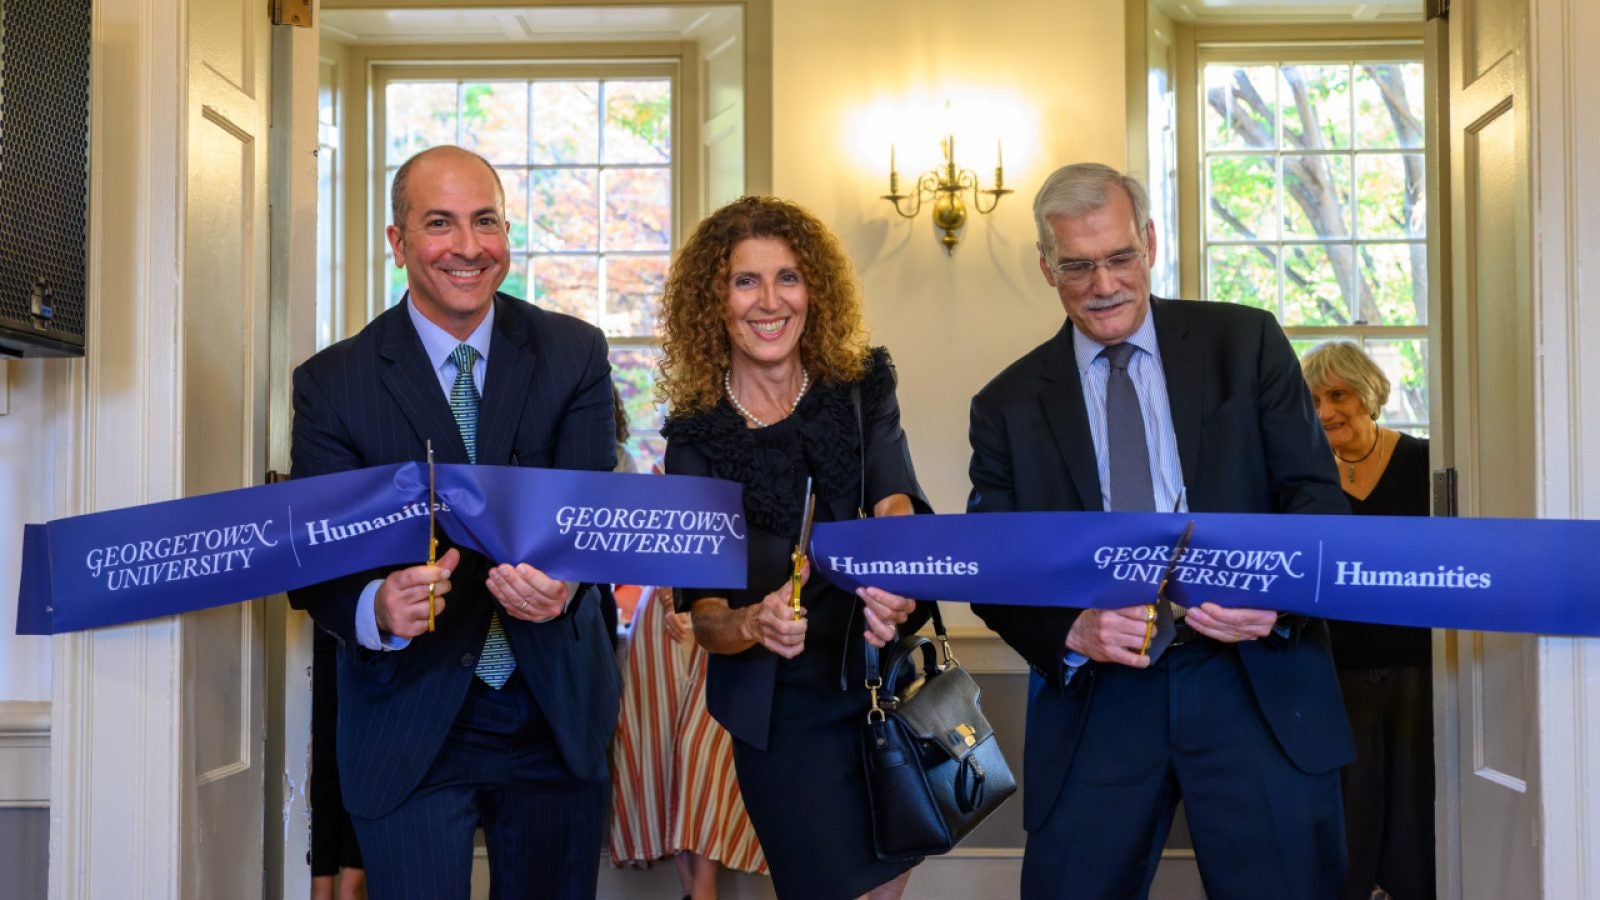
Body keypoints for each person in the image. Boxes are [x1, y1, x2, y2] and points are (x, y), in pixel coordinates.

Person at [967, 163, 1354, 900]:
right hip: (1100, 701)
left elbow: (1316, 499)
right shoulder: (1007, 405)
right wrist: (1071, 631)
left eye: (1119, 258)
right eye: (1077, 266)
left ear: (1148, 242)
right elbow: (995, 566)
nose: (1103, 284)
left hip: (1255, 679)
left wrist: (1272, 600)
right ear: (1046, 268)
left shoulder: (1246, 343)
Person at [287, 145, 620, 899]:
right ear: (397, 242)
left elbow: (591, 517)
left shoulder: (574, 355)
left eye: (486, 222)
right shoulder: (332, 384)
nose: (468, 248)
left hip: (555, 713)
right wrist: (378, 607)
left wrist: (563, 583)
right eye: (440, 224)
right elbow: (316, 565)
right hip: (409, 719)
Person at [657, 195, 929, 900]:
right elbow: (704, 616)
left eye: (788, 277)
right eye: (745, 281)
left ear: (816, 291)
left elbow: (896, 498)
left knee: (883, 891)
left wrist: (893, 579)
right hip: (781, 717)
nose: (769, 301)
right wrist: (753, 621)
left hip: (877, 688)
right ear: (714, 302)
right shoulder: (695, 436)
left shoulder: (861, 387)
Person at [1301, 341, 1435, 900]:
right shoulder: (1303, 479)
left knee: (1416, 800)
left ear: (1370, 395)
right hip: (1333, 664)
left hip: (1417, 661)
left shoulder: (1427, 462)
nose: (1328, 410)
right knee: (1346, 805)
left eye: (1339, 394)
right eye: (1314, 399)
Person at [609, 583, 769, 898]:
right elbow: (635, 540)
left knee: (701, 749)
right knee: (664, 747)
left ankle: (702, 889)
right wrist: (667, 589)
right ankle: (696, 890)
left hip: (725, 615)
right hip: (659, 613)